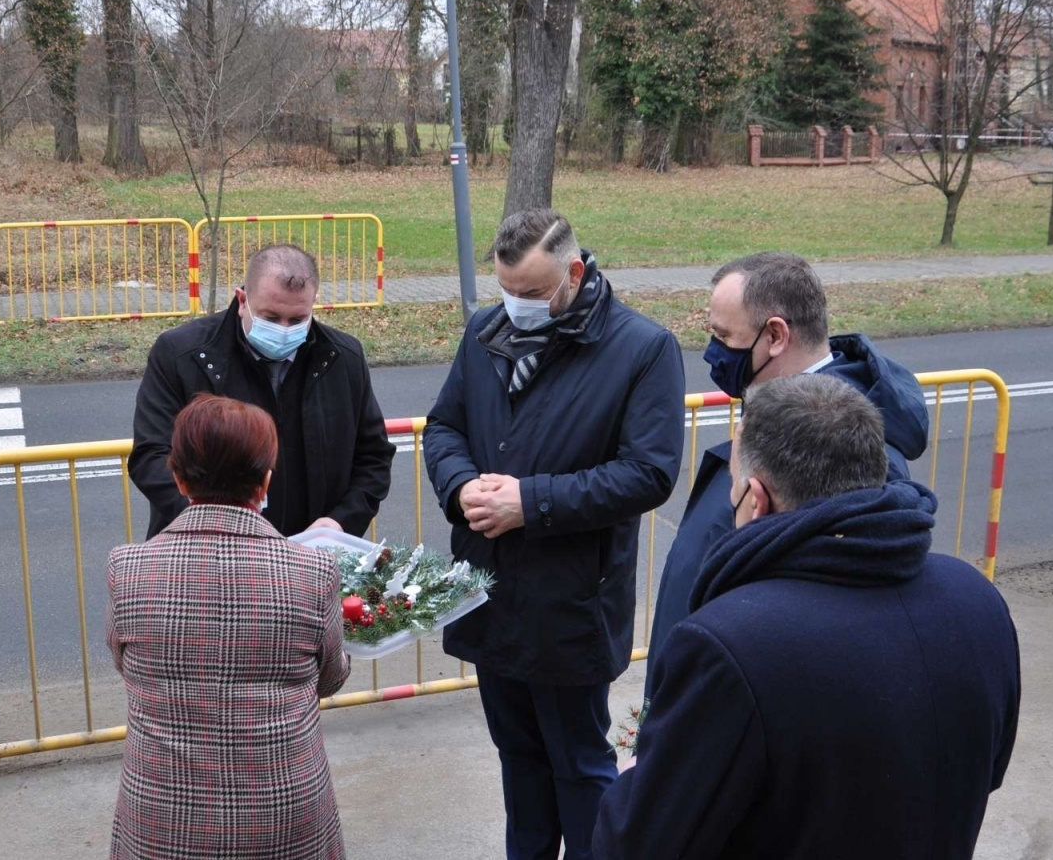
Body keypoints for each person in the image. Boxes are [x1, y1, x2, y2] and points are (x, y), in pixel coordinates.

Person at [594, 376, 1020, 860]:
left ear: (756, 499)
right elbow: (986, 771)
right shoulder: (977, 599)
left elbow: (638, 845)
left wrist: (634, 779)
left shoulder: (728, 644)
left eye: (733, 490)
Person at [423, 209, 685, 860]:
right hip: (490, 590)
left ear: (575, 272)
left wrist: (530, 503)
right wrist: (459, 485)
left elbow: (649, 473)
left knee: (578, 763)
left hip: (571, 600)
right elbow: (446, 426)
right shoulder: (486, 330)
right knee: (518, 758)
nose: (518, 305)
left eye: (534, 292)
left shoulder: (642, 348)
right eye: (506, 289)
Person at [645, 251, 930, 682]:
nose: (712, 353)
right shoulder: (775, 410)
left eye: (723, 336)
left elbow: (823, 618)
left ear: (775, 335)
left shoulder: (843, 446)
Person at [108, 394, 351, 860]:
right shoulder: (312, 572)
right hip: (283, 809)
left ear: (178, 478)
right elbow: (329, 678)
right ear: (265, 481)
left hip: (162, 812)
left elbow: (127, 665)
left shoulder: (129, 569)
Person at [129, 243, 394, 540]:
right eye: (270, 318)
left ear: (313, 304)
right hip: (206, 548)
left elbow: (373, 456)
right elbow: (151, 456)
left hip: (313, 552)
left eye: (297, 320)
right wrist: (218, 525)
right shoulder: (181, 354)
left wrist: (339, 522)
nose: (284, 329)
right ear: (242, 300)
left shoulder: (343, 358)